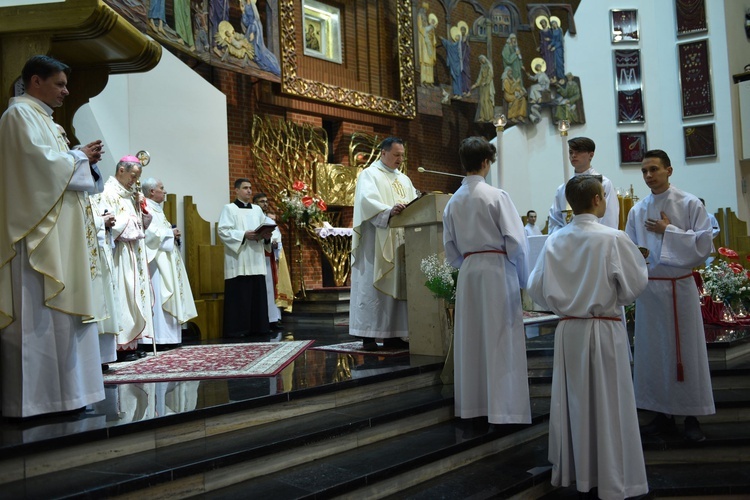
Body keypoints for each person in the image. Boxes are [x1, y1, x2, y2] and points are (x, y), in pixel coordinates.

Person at [527, 175, 649, 499]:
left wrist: (563, 301)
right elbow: (636, 284)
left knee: (576, 404)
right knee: (610, 405)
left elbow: (535, 288)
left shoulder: (554, 240)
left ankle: (581, 474)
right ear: (597, 200)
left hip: (569, 330)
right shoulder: (613, 238)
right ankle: (613, 477)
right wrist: (614, 298)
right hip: (604, 328)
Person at [0, 55, 106, 417]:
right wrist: (78, 156)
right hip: (36, 237)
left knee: (64, 318)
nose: (66, 90)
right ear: (34, 81)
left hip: (61, 235)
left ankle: (71, 396)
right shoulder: (18, 116)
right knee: (38, 316)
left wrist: (83, 162)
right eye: (59, 84)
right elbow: (36, 170)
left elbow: (66, 175)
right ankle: (37, 402)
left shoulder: (47, 122)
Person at [625, 149, 715, 443]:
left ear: (669, 170)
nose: (649, 176)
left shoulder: (689, 203)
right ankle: (661, 414)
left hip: (680, 287)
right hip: (650, 290)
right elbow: (630, 249)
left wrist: (669, 231)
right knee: (654, 354)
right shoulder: (638, 210)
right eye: (644, 171)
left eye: (654, 169)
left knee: (686, 354)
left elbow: (703, 247)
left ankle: (691, 417)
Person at [443, 136, 530, 425]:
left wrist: (469, 262)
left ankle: (473, 406)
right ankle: (504, 409)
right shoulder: (496, 196)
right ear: (485, 162)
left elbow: (450, 249)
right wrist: (521, 277)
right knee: (500, 337)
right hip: (496, 270)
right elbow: (517, 241)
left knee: (473, 338)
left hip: (469, 272)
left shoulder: (453, 201)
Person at [349, 137, 417, 350]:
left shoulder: (404, 179)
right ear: (383, 153)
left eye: (402, 155)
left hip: (400, 241)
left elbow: (414, 202)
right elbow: (366, 202)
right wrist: (388, 211)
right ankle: (368, 334)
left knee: (398, 285)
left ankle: (393, 334)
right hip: (376, 241)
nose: (400, 159)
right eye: (396, 155)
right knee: (373, 286)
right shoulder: (369, 174)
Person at [93, 156, 155, 361]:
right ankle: (121, 346)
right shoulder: (107, 191)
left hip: (133, 253)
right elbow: (108, 222)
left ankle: (132, 344)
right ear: (121, 170)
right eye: (133, 176)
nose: (135, 181)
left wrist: (142, 210)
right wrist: (129, 220)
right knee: (123, 295)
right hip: (118, 253)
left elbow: (141, 226)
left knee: (134, 296)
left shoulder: (130, 195)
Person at [141, 177, 197, 349]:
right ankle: (161, 338)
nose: (164, 191)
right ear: (152, 191)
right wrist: (169, 232)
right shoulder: (146, 207)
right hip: (157, 264)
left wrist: (171, 234)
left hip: (166, 259)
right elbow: (149, 233)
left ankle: (170, 338)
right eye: (161, 188)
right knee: (160, 296)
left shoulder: (158, 209)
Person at [218, 178, 275, 339]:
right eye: (245, 188)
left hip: (256, 258)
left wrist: (266, 236)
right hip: (239, 259)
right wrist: (243, 234)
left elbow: (265, 227)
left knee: (257, 294)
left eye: (250, 188)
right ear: (236, 190)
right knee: (240, 295)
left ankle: (259, 327)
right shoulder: (228, 209)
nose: (249, 191)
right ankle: (237, 329)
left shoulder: (257, 210)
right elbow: (223, 231)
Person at [547, 137, 619, 234]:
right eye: (571, 152)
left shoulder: (603, 183)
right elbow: (555, 221)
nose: (573, 155)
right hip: (568, 243)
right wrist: (564, 236)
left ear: (591, 155)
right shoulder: (563, 188)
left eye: (578, 151)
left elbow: (610, 217)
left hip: (598, 240)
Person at [253, 192, 285, 331]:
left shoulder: (270, 221)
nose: (265, 204)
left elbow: (277, 237)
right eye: (261, 201)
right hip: (256, 257)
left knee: (271, 290)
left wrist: (275, 243)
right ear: (254, 203)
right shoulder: (253, 218)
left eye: (266, 201)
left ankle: (274, 318)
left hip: (268, 257)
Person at [471, 55, 495, 123]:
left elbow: (490, 75)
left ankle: (490, 117)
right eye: (481, 60)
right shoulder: (482, 67)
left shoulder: (489, 66)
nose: (482, 60)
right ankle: (482, 117)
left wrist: (486, 82)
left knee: (487, 101)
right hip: (482, 86)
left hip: (488, 85)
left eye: (483, 59)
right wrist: (476, 84)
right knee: (482, 101)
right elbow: (480, 76)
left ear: (485, 59)